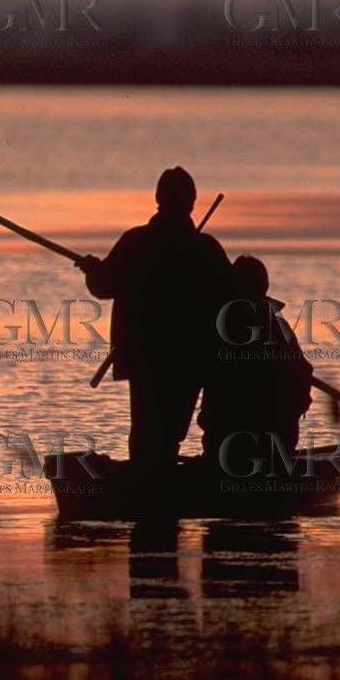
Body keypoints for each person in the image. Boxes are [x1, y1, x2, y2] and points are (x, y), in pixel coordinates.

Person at [75, 167, 230, 481]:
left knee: (146, 431)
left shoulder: (137, 242)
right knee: (169, 432)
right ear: (192, 201)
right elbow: (231, 297)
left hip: (145, 357)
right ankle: (158, 490)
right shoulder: (204, 248)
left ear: (158, 198)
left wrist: (93, 270)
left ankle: (147, 494)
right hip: (189, 358)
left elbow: (104, 286)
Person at [198, 255, 314, 473]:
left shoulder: (273, 327)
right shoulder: (221, 325)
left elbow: (303, 373)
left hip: (264, 437)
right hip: (231, 435)